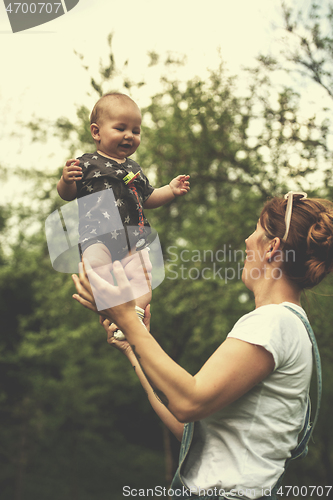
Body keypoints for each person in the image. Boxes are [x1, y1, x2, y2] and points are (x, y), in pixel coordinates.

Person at [71, 192, 332, 499]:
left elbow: (188, 402)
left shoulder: (273, 322)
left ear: (272, 248)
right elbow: (192, 429)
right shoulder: (284, 324)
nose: (248, 241)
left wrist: (128, 320)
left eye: (256, 231)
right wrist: (134, 347)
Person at [57, 92, 190, 332]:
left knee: (144, 278)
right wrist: (66, 180)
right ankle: (114, 313)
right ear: (96, 132)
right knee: (96, 268)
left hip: (133, 239)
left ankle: (135, 317)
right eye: (120, 128)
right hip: (98, 236)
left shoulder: (135, 169)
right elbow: (67, 194)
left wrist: (169, 190)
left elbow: (148, 198)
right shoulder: (86, 164)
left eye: (136, 131)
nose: (129, 135)